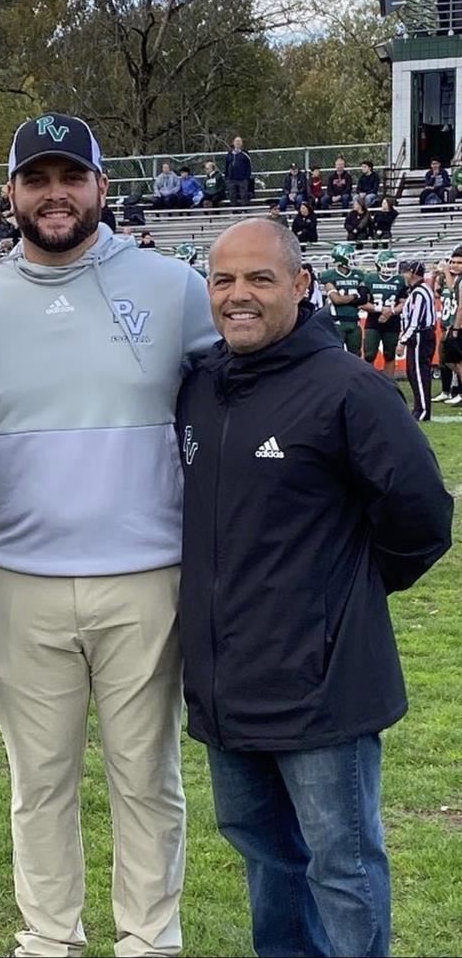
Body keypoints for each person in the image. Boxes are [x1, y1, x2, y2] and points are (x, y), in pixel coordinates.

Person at [0, 112, 217, 958]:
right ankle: (48, 938)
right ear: (11, 195)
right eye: (38, 178)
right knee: (39, 783)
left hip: (148, 577)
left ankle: (149, 939)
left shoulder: (174, 286)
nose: (55, 193)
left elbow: (243, 392)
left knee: (147, 777)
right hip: (19, 578)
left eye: (72, 177)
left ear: (104, 186)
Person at [176, 218, 453, 958]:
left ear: (300, 285)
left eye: (260, 279)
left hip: (323, 689)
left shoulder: (350, 389)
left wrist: (345, 599)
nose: (239, 295)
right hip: (226, 682)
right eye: (224, 280)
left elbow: (424, 516)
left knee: (343, 866)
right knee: (267, 857)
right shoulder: (200, 386)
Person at [400, 259, 438, 421]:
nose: (404, 275)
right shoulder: (420, 290)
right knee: (414, 372)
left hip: (420, 336)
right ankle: (419, 407)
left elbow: (415, 320)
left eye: (407, 271)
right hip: (422, 335)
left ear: (413, 273)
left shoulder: (419, 292)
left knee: (418, 373)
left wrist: (403, 340)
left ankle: (422, 410)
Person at [361, 250, 405, 379]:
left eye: (393, 264)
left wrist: (391, 312)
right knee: (369, 354)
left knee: (390, 354)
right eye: (388, 264)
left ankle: (388, 383)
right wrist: (381, 309)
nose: (392, 267)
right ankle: (367, 381)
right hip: (374, 321)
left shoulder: (400, 280)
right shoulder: (370, 278)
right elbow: (362, 303)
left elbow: (404, 302)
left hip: (393, 321)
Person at [320, 243, 366, 354]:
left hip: (354, 320)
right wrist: (354, 296)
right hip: (337, 321)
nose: (353, 259)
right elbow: (337, 300)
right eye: (350, 257)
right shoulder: (329, 275)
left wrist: (347, 298)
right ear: (341, 258)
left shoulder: (358, 275)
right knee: (336, 354)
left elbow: (364, 298)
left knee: (355, 355)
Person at [433, 247, 462, 404]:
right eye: (452, 262)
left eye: (458, 262)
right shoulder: (452, 279)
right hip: (449, 323)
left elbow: (460, 306)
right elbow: (442, 291)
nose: (454, 265)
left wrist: (455, 327)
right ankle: (449, 390)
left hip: (456, 325)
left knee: (455, 360)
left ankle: (458, 391)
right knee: (447, 359)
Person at [224, 136, 252, 207]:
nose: (238, 143)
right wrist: (227, 177)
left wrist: (247, 177)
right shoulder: (229, 154)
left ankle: (244, 210)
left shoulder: (245, 154)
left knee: (244, 195)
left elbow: (249, 166)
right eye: (236, 141)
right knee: (232, 195)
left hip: (242, 179)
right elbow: (226, 166)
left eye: (239, 141)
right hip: (231, 179)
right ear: (233, 143)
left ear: (242, 143)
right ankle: (234, 210)